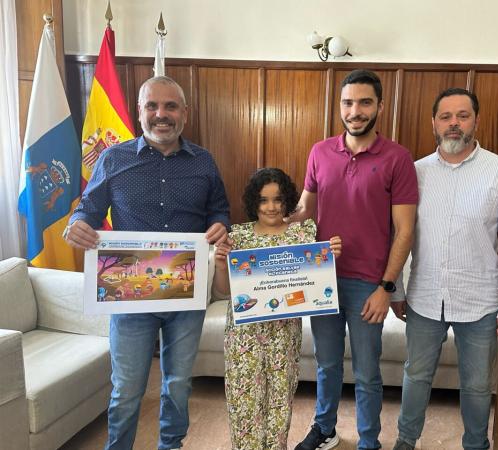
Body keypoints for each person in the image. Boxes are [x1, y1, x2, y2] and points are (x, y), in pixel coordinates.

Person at [64, 75, 230, 450]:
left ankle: (171, 445)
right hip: (129, 297)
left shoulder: (204, 162)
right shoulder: (113, 158)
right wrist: (77, 225)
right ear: (139, 111)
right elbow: (88, 209)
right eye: (152, 106)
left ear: (184, 113)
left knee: (178, 384)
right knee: (126, 389)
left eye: (170, 106)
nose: (161, 114)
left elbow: (219, 210)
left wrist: (221, 224)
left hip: (186, 294)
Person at [391, 88, 498, 450]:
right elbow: (397, 236)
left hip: (480, 302)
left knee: (477, 385)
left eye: (462, 115)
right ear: (434, 123)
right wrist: (396, 288)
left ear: (476, 120)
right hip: (424, 297)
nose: (453, 123)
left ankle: (475, 444)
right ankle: (406, 440)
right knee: (416, 375)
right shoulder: (414, 173)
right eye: (445, 116)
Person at [291, 70, 418, 450]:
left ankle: (368, 441)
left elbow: (405, 231)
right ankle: (325, 428)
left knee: (366, 373)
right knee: (326, 365)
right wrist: (259, 230)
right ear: (340, 106)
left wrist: (386, 288)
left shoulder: (398, 158)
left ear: (380, 106)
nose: (355, 111)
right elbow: (303, 211)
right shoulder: (319, 152)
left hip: (368, 284)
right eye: (348, 102)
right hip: (322, 278)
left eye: (364, 102)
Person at [212, 168, 342, 450]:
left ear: (287, 200)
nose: (271, 207)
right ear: (253, 202)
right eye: (263, 200)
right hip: (243, 337)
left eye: (278, 199)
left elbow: (315, 284)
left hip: (284, 336)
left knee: (279, 405)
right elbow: (224, 291)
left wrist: (329, 257)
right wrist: (221, 266)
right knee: (245, 403)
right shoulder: (238, 237)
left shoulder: (302, 234)